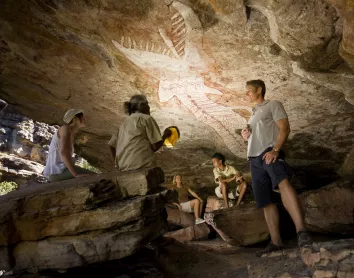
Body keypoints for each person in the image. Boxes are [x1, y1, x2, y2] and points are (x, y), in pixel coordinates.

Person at [241, 79, 312, 256]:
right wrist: (246, 135)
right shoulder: (253, 113)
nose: (246, 93)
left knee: (283, 182)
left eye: (249, 90)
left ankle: (302, 232)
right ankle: (276, 242)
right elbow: (256, 133)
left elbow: (285, 128)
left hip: (269, 152)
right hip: (254, 159)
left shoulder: (273, 104)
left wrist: (275, 150)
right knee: (265, 201)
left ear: (259, 90)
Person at [108, 94, 171, 170]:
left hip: (123, 168)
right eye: (147, 104)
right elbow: (155, 147)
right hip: (142, 165)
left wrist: (116, 165)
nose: (149, 107)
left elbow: (110, 145)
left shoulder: (123, 124)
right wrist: (165, 135)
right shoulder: (146, 119)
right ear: (141, 105)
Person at [43, 109, 95, 182]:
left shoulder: (71, 134)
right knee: (97, 177)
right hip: (57, 172)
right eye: (82, 117)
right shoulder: (65, 128)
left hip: (59, 172)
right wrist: (75, 174)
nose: (85, 118)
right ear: (75, 118)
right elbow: (64, 152)